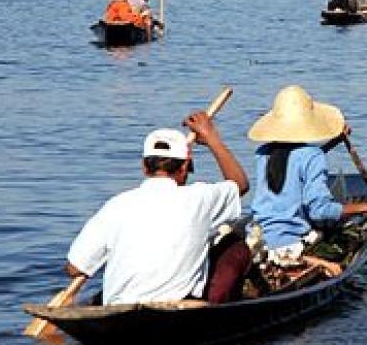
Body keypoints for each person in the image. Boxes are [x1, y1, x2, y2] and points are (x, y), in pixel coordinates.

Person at [63, 112, 250, 305]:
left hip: (120, 306)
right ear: (184, 167)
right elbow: (240, 184)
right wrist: (212, 138)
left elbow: (74, 269)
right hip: (178, 307)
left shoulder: (117, 205)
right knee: (236, 246)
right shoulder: (200, 198)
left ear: (145, 167)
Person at [248, 86, 367, 271]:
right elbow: (320, 211)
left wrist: (333, 142)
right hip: (290, 246)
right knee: (347, 234)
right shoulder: (312, 156)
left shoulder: (263, 153)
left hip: (256, 241)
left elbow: (293, 164)